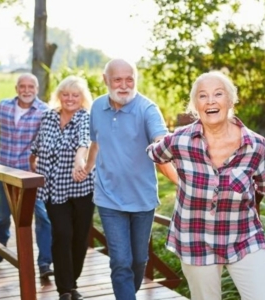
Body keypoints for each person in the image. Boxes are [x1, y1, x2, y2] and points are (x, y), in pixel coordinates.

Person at [146, 71, 265, 300]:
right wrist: (180, 182)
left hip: (243, 236)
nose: (210, 100)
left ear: (230, 101)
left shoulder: (256, 146)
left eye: (218, 94)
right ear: (195, 105)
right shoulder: (180, 140)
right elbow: (155, 154)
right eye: (202, 96)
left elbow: (261, 186)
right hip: (195, 239)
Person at [79, 58, 177, 300]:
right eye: (118, 80)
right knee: (120, 261)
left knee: (138, 260)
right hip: (108, 197)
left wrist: (180, 181)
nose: (124, 85)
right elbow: (96, 141)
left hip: (142, 199)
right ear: (106, 80)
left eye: (129, 79)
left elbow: (160, 142)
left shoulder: (147, 109)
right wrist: (87, 166)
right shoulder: (97, 107)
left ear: (136, 80)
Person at [0, 73, 53, 279]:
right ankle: (1, 242)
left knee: (43, 216)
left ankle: (45, 262)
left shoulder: (44, 110)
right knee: (3, 214)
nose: (27, 90)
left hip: (31, 174)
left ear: (36, 89)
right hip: (5, 171)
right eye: (23, 86)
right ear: (16, 88)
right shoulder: (4, 106)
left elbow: (48, 138)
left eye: (31, 86)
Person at [30, 75, 95, 300]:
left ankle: (72, 283)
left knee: (79, 237)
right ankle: (64, 289)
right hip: (52, 189)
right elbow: (37, 147)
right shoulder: (48, 117)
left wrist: (80, 161)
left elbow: (84, 142)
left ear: (82, 98)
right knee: (62, 234)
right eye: (65, 94)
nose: (69, 99)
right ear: (59, 96)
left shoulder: (86, 117)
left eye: (75, 95)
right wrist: (33, 169)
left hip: (81, 188)